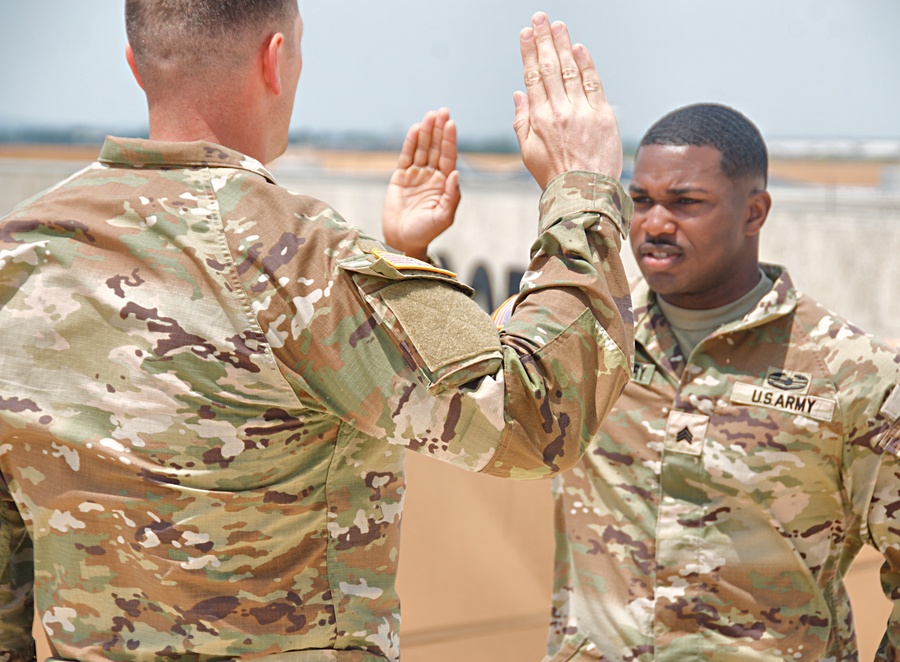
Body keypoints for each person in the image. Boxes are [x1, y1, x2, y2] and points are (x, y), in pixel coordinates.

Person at [0, 2, 634, 659]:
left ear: (135, 66)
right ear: (274, 59)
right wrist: (579, 190)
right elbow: (534, 417)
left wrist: (402, 264)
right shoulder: (294, 254)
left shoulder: (18, 249)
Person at [541, 103, 900, 661]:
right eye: (641, 201)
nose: (655, 224)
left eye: (686, 203)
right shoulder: (586, 340)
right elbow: (467, 396)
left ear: (754, 212)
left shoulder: (853, 376)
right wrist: (415, 255)